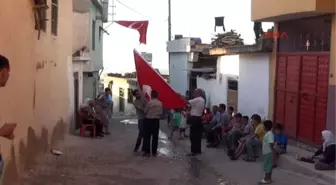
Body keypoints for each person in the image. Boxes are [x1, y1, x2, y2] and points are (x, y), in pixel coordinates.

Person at [143, 90, 163, 157]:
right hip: (156, 121)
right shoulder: (160, 103)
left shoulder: (149, 103)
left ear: (152, 95)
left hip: (149, 120)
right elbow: (161, 113)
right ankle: (154, 152)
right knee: (155, 137)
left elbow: (145, 111)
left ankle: (147, 152)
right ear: (157, 95)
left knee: (147, 136)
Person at [186, 89, 205, 156]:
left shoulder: (198, 99)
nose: (193, 93)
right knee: (197, 136)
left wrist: (180, 96)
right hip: (198, 118)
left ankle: (193, 151)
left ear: (198, 93)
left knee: (193, 136)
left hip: (195, 119)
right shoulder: (201, 100)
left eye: (194, 92)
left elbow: (187, 102)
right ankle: (197, 150)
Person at [260, 120, 274, 184]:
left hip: (268, 152)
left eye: (263, 126)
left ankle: (266, 179)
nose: (263, 127)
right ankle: (269, 178)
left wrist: (272, 152)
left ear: (266, 127)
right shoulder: (268, 133)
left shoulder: (269, 134)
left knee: (267, 166)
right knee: (269, 166)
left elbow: (271, 143)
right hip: (267, 152)